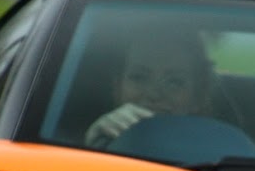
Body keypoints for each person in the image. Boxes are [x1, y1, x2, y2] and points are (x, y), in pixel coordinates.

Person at [85, 29, 214, 149]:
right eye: (139, 77)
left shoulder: (213, 155)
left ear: (198, 97)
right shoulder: (101, 138)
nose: (154, 94)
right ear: (117, 87)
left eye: (174, 82)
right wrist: (95, 144)